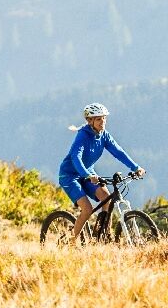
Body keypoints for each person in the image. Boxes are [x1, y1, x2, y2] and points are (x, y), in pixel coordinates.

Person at [59, 102, 145, 241]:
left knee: (107, 199)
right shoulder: (83, 136)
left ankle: (104, 234)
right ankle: (72, 241)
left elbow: (118, 152)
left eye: (104, 118)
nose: (102, 122)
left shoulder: (104, 135)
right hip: (70, 176)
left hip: (88, 173)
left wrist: (135, 168)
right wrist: (87, 175)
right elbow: (76, 156)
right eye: (99, 119)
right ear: (89, 120)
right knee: (87, 209)